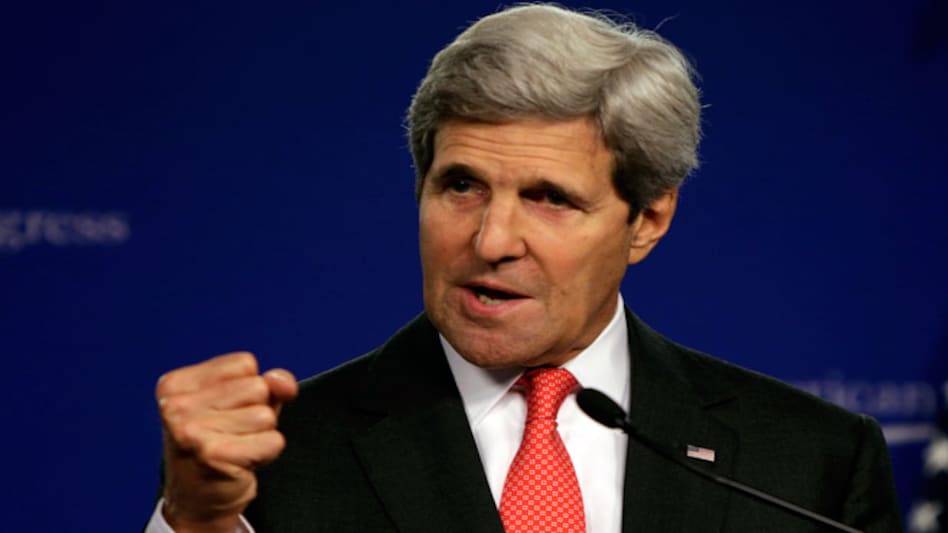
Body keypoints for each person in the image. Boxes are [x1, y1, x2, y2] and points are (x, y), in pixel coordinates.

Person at [147, 4, 902, 532]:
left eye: (549, 198)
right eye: (462, 185)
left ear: (647, 220)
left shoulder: (809, 463)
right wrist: (200, 522)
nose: (491, 239)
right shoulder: (274, 461)